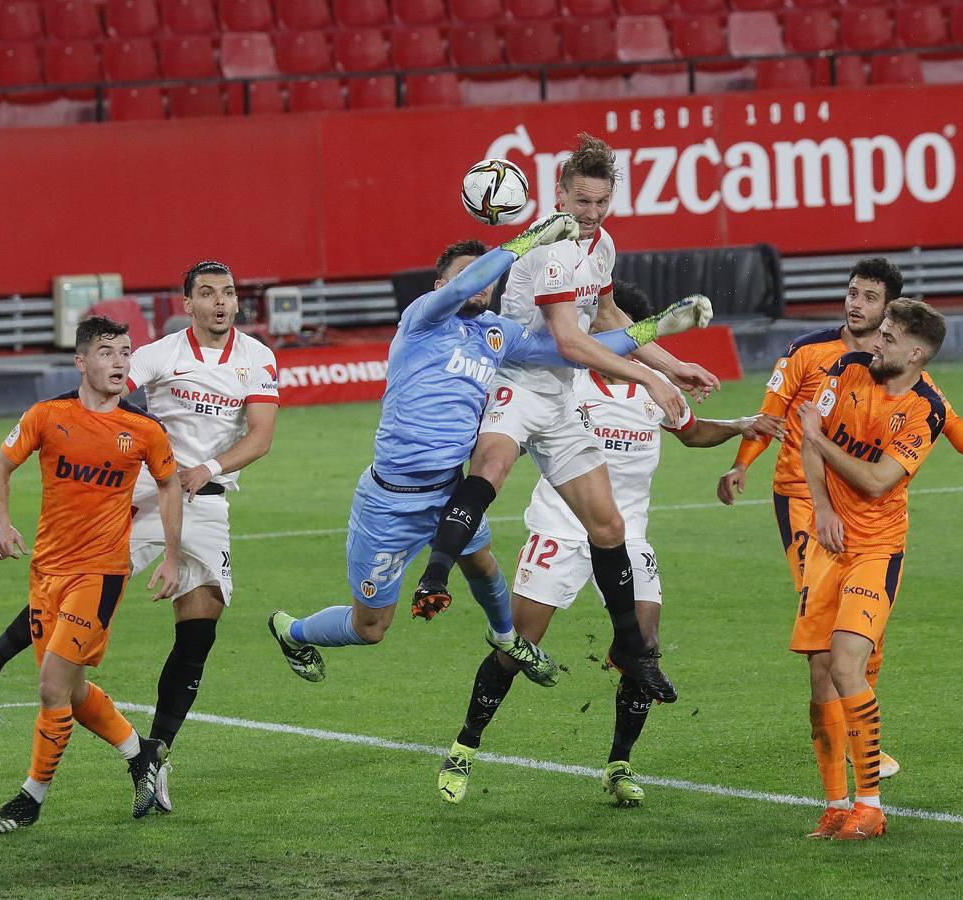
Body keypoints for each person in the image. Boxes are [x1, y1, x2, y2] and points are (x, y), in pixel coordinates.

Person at [267, 216, 713, 688]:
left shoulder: (497, 334)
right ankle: (292, 632)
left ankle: (507, 637)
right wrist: (526, 241)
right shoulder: (421, 318)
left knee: (483, 564)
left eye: (485, 278)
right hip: (390, 501)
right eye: (465, 276)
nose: (478, 284)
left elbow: (570, 350)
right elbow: (473, 280)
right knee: (370, 628)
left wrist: (654, 330)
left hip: (448, 492)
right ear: (442, 285)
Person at [435, 281, 784, 807]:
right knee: (516, 646)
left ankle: (619, 764)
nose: (596, 335)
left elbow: (691, 433)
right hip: (560, 531)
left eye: (607, 330)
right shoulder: (565, 384)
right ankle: (465, 744)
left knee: (644, 649)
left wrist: (738, 426)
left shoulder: (655, 388)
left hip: (628, 537)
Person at [0, 260, 280, 814]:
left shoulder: (258, 359)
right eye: (208, 294)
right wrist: (57, 418)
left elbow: (262, 437)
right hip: (148, 497)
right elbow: (103, 389)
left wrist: (211, 468)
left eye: (228, 293)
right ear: (188, 304)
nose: (221, 303)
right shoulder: (160, 355)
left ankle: (156, 760)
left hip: (207, 505)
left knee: (197, 638)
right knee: (72, 581)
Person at [409, 134, 720, 705]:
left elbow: (606, 315)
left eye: (601, 203)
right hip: (517, 383)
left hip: (558, 398)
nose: (591, 214)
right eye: (582, 202)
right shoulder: (552, 247)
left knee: (609, 527)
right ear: (559, 194)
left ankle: (632, 651)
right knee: (492, 470)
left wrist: (672, 365)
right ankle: (435, 574)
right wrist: (650, 378)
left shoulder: (601, 245)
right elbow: (572, 340)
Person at [718, 258, 963, 779]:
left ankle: (856, 735)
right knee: (826, 637)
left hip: (865, 511)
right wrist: (742, 465)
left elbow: (947, 414)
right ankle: (847, 751)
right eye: (853, 292)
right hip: (803, 498)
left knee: (858, 636)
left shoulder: (896, 367)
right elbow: (773, 411)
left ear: (889, 309)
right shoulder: (812, 352)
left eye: (870, 297)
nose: (857, 303)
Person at [0, 315, 183, 833]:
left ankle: (30, 800)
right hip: (47, 572)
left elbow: (169, 485)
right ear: (82, 361)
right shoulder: (47, 415)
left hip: (101, 575)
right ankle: (143, 755)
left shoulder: (143, 429)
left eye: (126, 353)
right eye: (108, 352)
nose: (120, 363)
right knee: (69, 691)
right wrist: (1, 522)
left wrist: (173, 556)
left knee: (51, 687)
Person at [794, 298, 953, 841]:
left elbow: (880, 480)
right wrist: (820, 507)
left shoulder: (926, 408)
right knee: (819, 674)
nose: (873, 342)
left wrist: (816, 438)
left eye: (886, 337)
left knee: (845, 665)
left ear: (914, 353)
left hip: (876, 550)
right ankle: (835, 805)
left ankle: (871, 806)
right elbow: (811, 441)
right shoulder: (847, 368)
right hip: (827, 543)